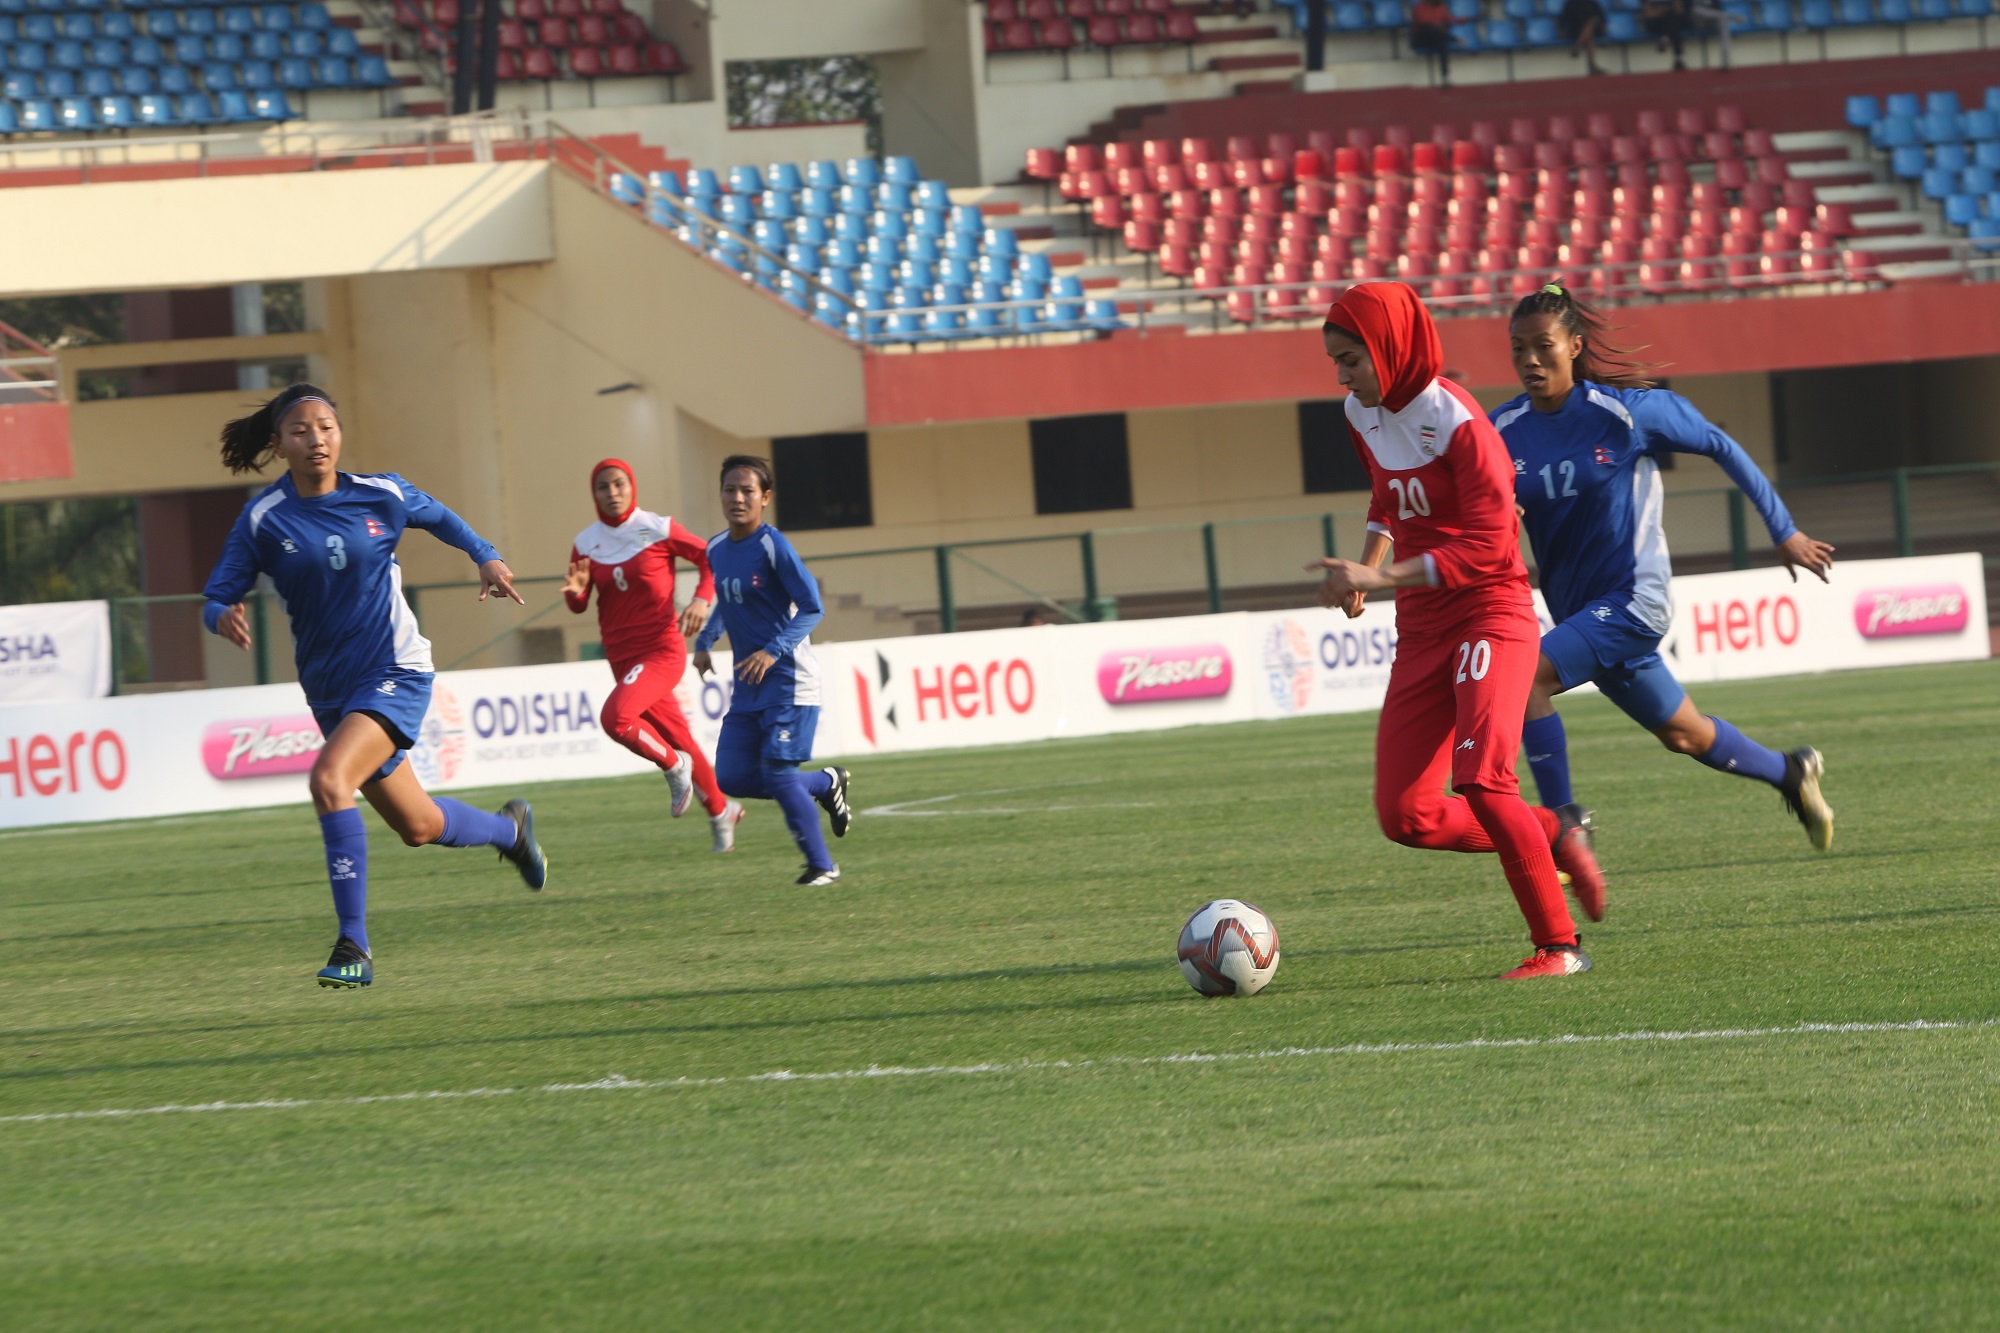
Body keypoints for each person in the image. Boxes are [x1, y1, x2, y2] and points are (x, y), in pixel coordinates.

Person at [1306, 283, 1607, 980]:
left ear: (1391, 347)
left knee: (1483, 779)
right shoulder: (1361, 411)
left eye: (1351, 358)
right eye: (1336, 360)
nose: (1342, 375)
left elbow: (1487, 547)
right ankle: (1554, 830)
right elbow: (1387, 494)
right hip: (1422, 623)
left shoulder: (1460, 420)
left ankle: (1559, 948)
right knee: (1405, 813)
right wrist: (1368, 569)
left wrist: (1381, 578)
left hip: (1488, 610)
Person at [201, 384, 547, 989]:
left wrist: (486, 557)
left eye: (327, 427)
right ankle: (511, 832)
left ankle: (353, 947)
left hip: (394, 672)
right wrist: (221, 614)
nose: (317, 439)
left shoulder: (381, 493)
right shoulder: (264, 517)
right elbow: (216, 594)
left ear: (340, 434)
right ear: (279, 443)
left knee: (329, 780)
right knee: (417, 827)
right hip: (330, 691)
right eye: (302, 430)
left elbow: (441, 518)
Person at [1493, 284, 1835, 849]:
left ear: (1574, 346)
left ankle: (1563, 823)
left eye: (1543, 346)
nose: (1530, 359)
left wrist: (1784, 531)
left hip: (1633, 600)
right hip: (1582, 613)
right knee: (1686, 735)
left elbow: (1721, 444)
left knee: (1526, 676)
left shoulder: (1627, 413)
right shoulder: (1502, 430)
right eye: (1518, 348)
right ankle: (1790, 773)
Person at [564, 458, 743, 852]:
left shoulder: (657, 527)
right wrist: (575, 591)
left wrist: (701, 600)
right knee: (679, 735)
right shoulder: (585, 542)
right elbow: (579, 607)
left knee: (616, 719)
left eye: (619, 484)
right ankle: (721, 811)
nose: (612, 493)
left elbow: (710, 558)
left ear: (632, 487)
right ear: (593, 494)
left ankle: (673, 765)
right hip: (621, 658)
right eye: (602, 487)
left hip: (661, 650)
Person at [692, 455, 852, 885]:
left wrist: (773, 650)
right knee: (731, 774)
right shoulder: (715, 549)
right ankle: (822, 784)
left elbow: (812, 606)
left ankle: (822, 865)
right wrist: (705, 642)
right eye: (730, 489)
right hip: (749, 686)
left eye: (748, 491)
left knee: (779, 775)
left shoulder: (772, 545)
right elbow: (729, 601)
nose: (738, 498)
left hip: (789, 681)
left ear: (765, 498)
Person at [1408, 0, 1459, 87]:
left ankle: (1445, 76)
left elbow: (1451, 20)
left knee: (1442, 45)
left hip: (1435, 37)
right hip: (1420, 38)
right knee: (1428, 28)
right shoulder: (1419, 7)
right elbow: (1423, 22)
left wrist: (1473, 18)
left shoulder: (1441, 8)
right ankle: (1453, 39)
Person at [1558, 0, 1607, 74]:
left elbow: (1602, 17)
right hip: (1577, 31)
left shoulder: (1592, 3)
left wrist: (1604, 26)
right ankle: (1592, 66)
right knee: (1590, 38)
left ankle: (1577, 46)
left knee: (1591, 22)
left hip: (1595, 29)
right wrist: (1561, 31)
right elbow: (1561, 20)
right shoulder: (1570, 4)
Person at [1641, 0, 1688, 69]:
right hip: (1656, 22)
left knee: (1673, 19)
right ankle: (1678, 58)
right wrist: (1666, 10)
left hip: (1671, 19)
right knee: (1673, 25)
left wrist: (1662, 9)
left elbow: (1679, 10)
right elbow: (1649, 14)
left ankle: (1665, 38)